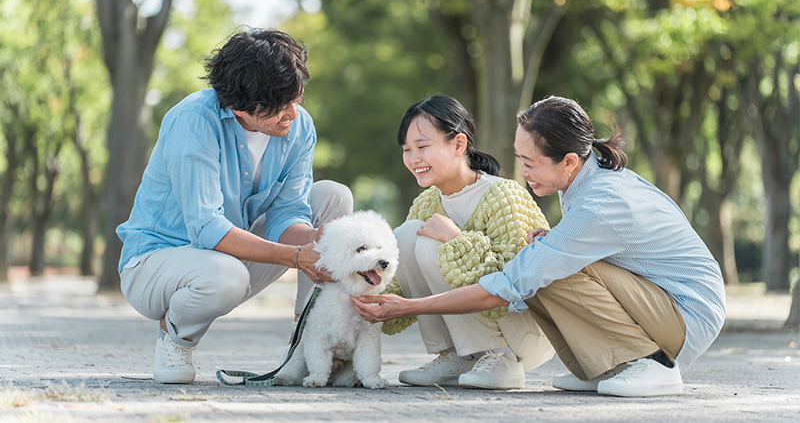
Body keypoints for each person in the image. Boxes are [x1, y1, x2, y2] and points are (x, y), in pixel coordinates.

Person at [353, 95, 726, 398]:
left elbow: (512, 283)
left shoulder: (601, 202)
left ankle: (653, 364)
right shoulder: (582, 179)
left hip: (683, 314)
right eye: (519, 159)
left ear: (567, 161)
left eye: (530, 163)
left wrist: (412, 307)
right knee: (546, 258)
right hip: (657, 299)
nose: (522, 172)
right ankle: (609, 365)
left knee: (541, 266)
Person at [116, 28, 352, 384]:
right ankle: (175, 336)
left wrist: (319, 242)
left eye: (295, 97)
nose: (292, 113)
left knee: (334, 197)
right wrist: (296, 257)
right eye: (279, 106)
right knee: (226, 275)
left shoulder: (300, 127)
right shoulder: (193, 120)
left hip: (229, 254)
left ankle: (311, 344)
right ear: (239, 106)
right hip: (156, 262)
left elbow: (288, 213)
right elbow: (207, 228)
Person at [384, 95, 554, 390]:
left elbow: (514, 284)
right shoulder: (427, 202)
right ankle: (455, 355)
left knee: (430, 244)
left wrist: (457, 240)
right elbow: (404, 280)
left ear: (459, 144)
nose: (413, 158)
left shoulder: (504, 195)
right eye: (407, 149)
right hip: (473, 332)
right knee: (406, 235)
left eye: (423, 146)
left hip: (524, 333)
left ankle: (500, 359)